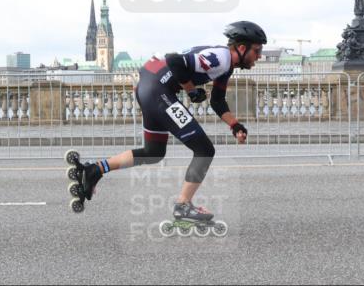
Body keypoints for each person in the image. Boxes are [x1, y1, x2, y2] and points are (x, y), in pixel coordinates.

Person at [72, 21, 265, 223]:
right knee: (205, 150)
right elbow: (174, 60)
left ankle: (95, 170)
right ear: (242, 48)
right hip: (158, 90)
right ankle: (183, 205)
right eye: (257, 51)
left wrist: (235, 125)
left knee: (154, 151)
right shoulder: (221, 58)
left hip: (150, 86)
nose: (259, 57)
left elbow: (217, 101)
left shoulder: (226, 66)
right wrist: (190, 89)